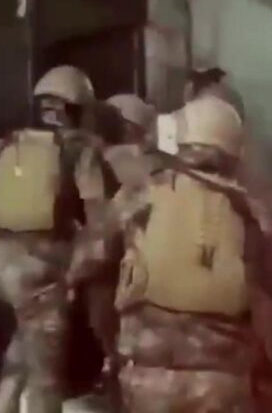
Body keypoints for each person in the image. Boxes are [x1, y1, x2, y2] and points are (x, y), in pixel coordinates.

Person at [70, 94, 272, 412]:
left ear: (181, 141)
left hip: (146, 379)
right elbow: (267, 303)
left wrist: (111, 343)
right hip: (222, 386)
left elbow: (89, 264)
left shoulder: (139, 195)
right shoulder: (249, 213)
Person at [0, 65, 110, 413]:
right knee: (46, 379)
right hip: (36, 271)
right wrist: (82, 268)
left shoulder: (10, 142)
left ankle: (3, 404)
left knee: (27, 335)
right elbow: (99, 218)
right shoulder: (81, 149)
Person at [70, 93, 158, 404]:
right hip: (145, 264)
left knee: (111, 335)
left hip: (113, 266)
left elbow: (100, 227)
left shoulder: (96, 162)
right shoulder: (147, 160)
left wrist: (74, 273)